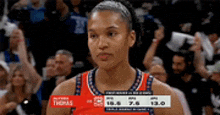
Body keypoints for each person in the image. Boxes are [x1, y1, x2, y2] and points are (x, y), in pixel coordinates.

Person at [47, 0, 183, 115]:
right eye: (93, 36)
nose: (101, 44)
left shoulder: (162, 96)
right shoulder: (65, 95)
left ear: (131, 38)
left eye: (111, 34)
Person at [0, 29, 42, 115]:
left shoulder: (31, 95)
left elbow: (24, 61)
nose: (17, 78)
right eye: (14, 76)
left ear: (25, 79)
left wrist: (21, 40)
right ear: (11, 79)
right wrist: (6, 107)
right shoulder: (6, 97)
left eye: (20, 76)